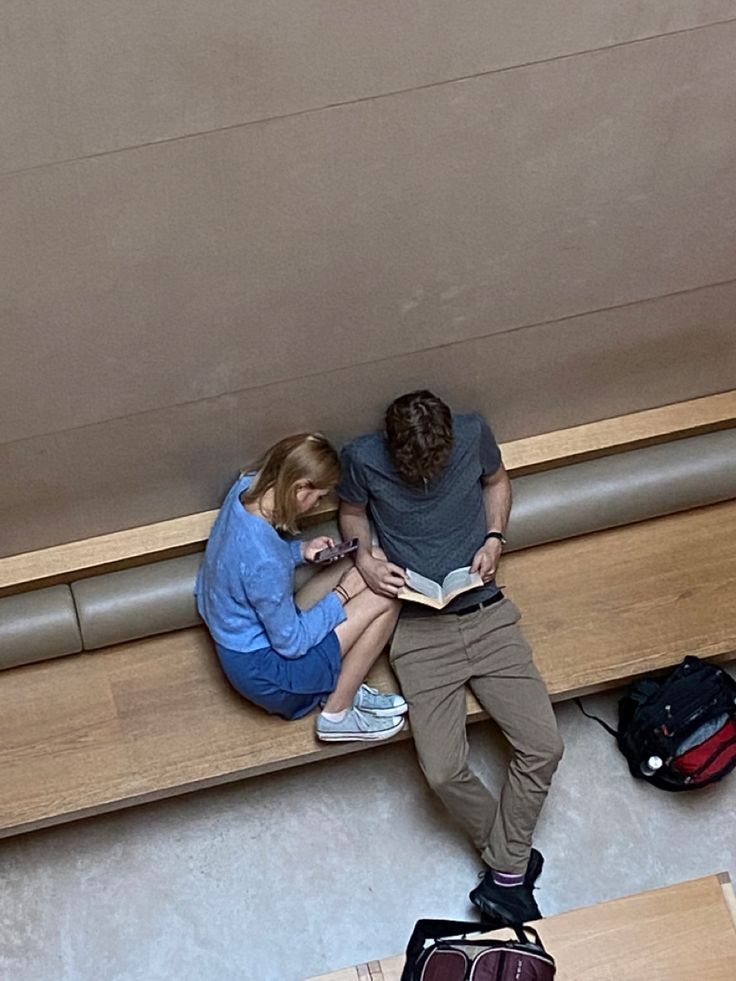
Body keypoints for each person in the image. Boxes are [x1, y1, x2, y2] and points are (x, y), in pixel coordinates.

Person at [337, 391, 564, 922]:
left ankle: (505, 875)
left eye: (436, 466)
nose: (426, 478)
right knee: (441, 772)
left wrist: (494, 539)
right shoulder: (362, 457)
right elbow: (351, 512)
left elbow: (498, 481)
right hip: (418, 629)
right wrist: (366, 561)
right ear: (392, 451)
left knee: (545, 748)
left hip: (484, 609)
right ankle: (510, 868)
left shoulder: (471, 431)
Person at [196, 432, 407, 742]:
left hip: (245, 632)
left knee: (371, 559)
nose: (318, 504)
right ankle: (337, 712)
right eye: (319, 496)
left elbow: (246, 560)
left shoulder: (244, 490)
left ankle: (338, 680)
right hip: (271, 673)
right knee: (386, 596)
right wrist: (343, 594)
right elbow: (291, 644)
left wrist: (300, 551)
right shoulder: (265, 563)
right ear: (300, 487)